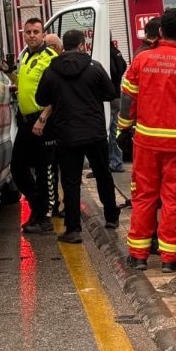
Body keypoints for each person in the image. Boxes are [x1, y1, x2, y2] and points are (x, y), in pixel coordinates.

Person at [118, 8, 176, 273]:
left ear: (159, 31)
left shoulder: (142, 59)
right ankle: (170, 259)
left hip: (146, 142)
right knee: (172, 199)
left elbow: (128, 100)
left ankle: (138, 256)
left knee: (143, 197)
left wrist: (124, 127)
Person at [35, 29, 120, 244]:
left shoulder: (51, 70)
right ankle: (111, 217)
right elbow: (110, 93)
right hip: (95, 132)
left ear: (64, 46)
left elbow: (41, 97)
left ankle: (73, 229)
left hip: (66, 135)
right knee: (103, 175)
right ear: (82, 45)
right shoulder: (95, 68)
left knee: (71, 182)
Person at [13, 18, 58, 234]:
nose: (32, 35)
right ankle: (36, 206)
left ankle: (45, 218)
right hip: (25, 122)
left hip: (43, 121)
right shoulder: (25, 56)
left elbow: (57, 92)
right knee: (17, 167)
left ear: (43, 34)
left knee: (44, 170)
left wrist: (43, 117)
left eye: (36, 32)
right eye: (28, 32)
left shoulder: (49, 57)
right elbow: (26, 84)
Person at [35, 33, 64, 217]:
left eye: (48, 44)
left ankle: (53, 206)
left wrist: (43, 117)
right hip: (44, 120)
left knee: (50, 166)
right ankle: (52, 204)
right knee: (49, 165)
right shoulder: (34, 58)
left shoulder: (53, 63)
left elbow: (54, 95)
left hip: (50, 120)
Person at [108, 34, 128, 173]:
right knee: (113, 129)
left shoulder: (107, 53)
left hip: (111, 96)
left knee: (110, 131)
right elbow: (124, 66)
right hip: (117, 93)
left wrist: (110, 82)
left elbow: (113, 70)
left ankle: (115, 161)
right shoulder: (116, 51)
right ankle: (116, 160)